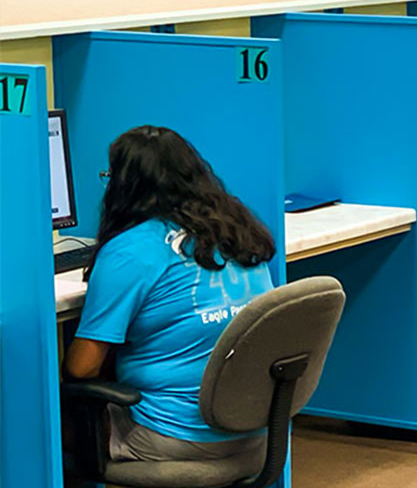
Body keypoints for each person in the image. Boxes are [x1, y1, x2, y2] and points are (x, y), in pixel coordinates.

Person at [64, 125, 276, 462]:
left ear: (125, 187)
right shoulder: (238, 231)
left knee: (42, 413)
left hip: (173, 435)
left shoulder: (131, 252)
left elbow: (82, 368)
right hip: (259, 430)